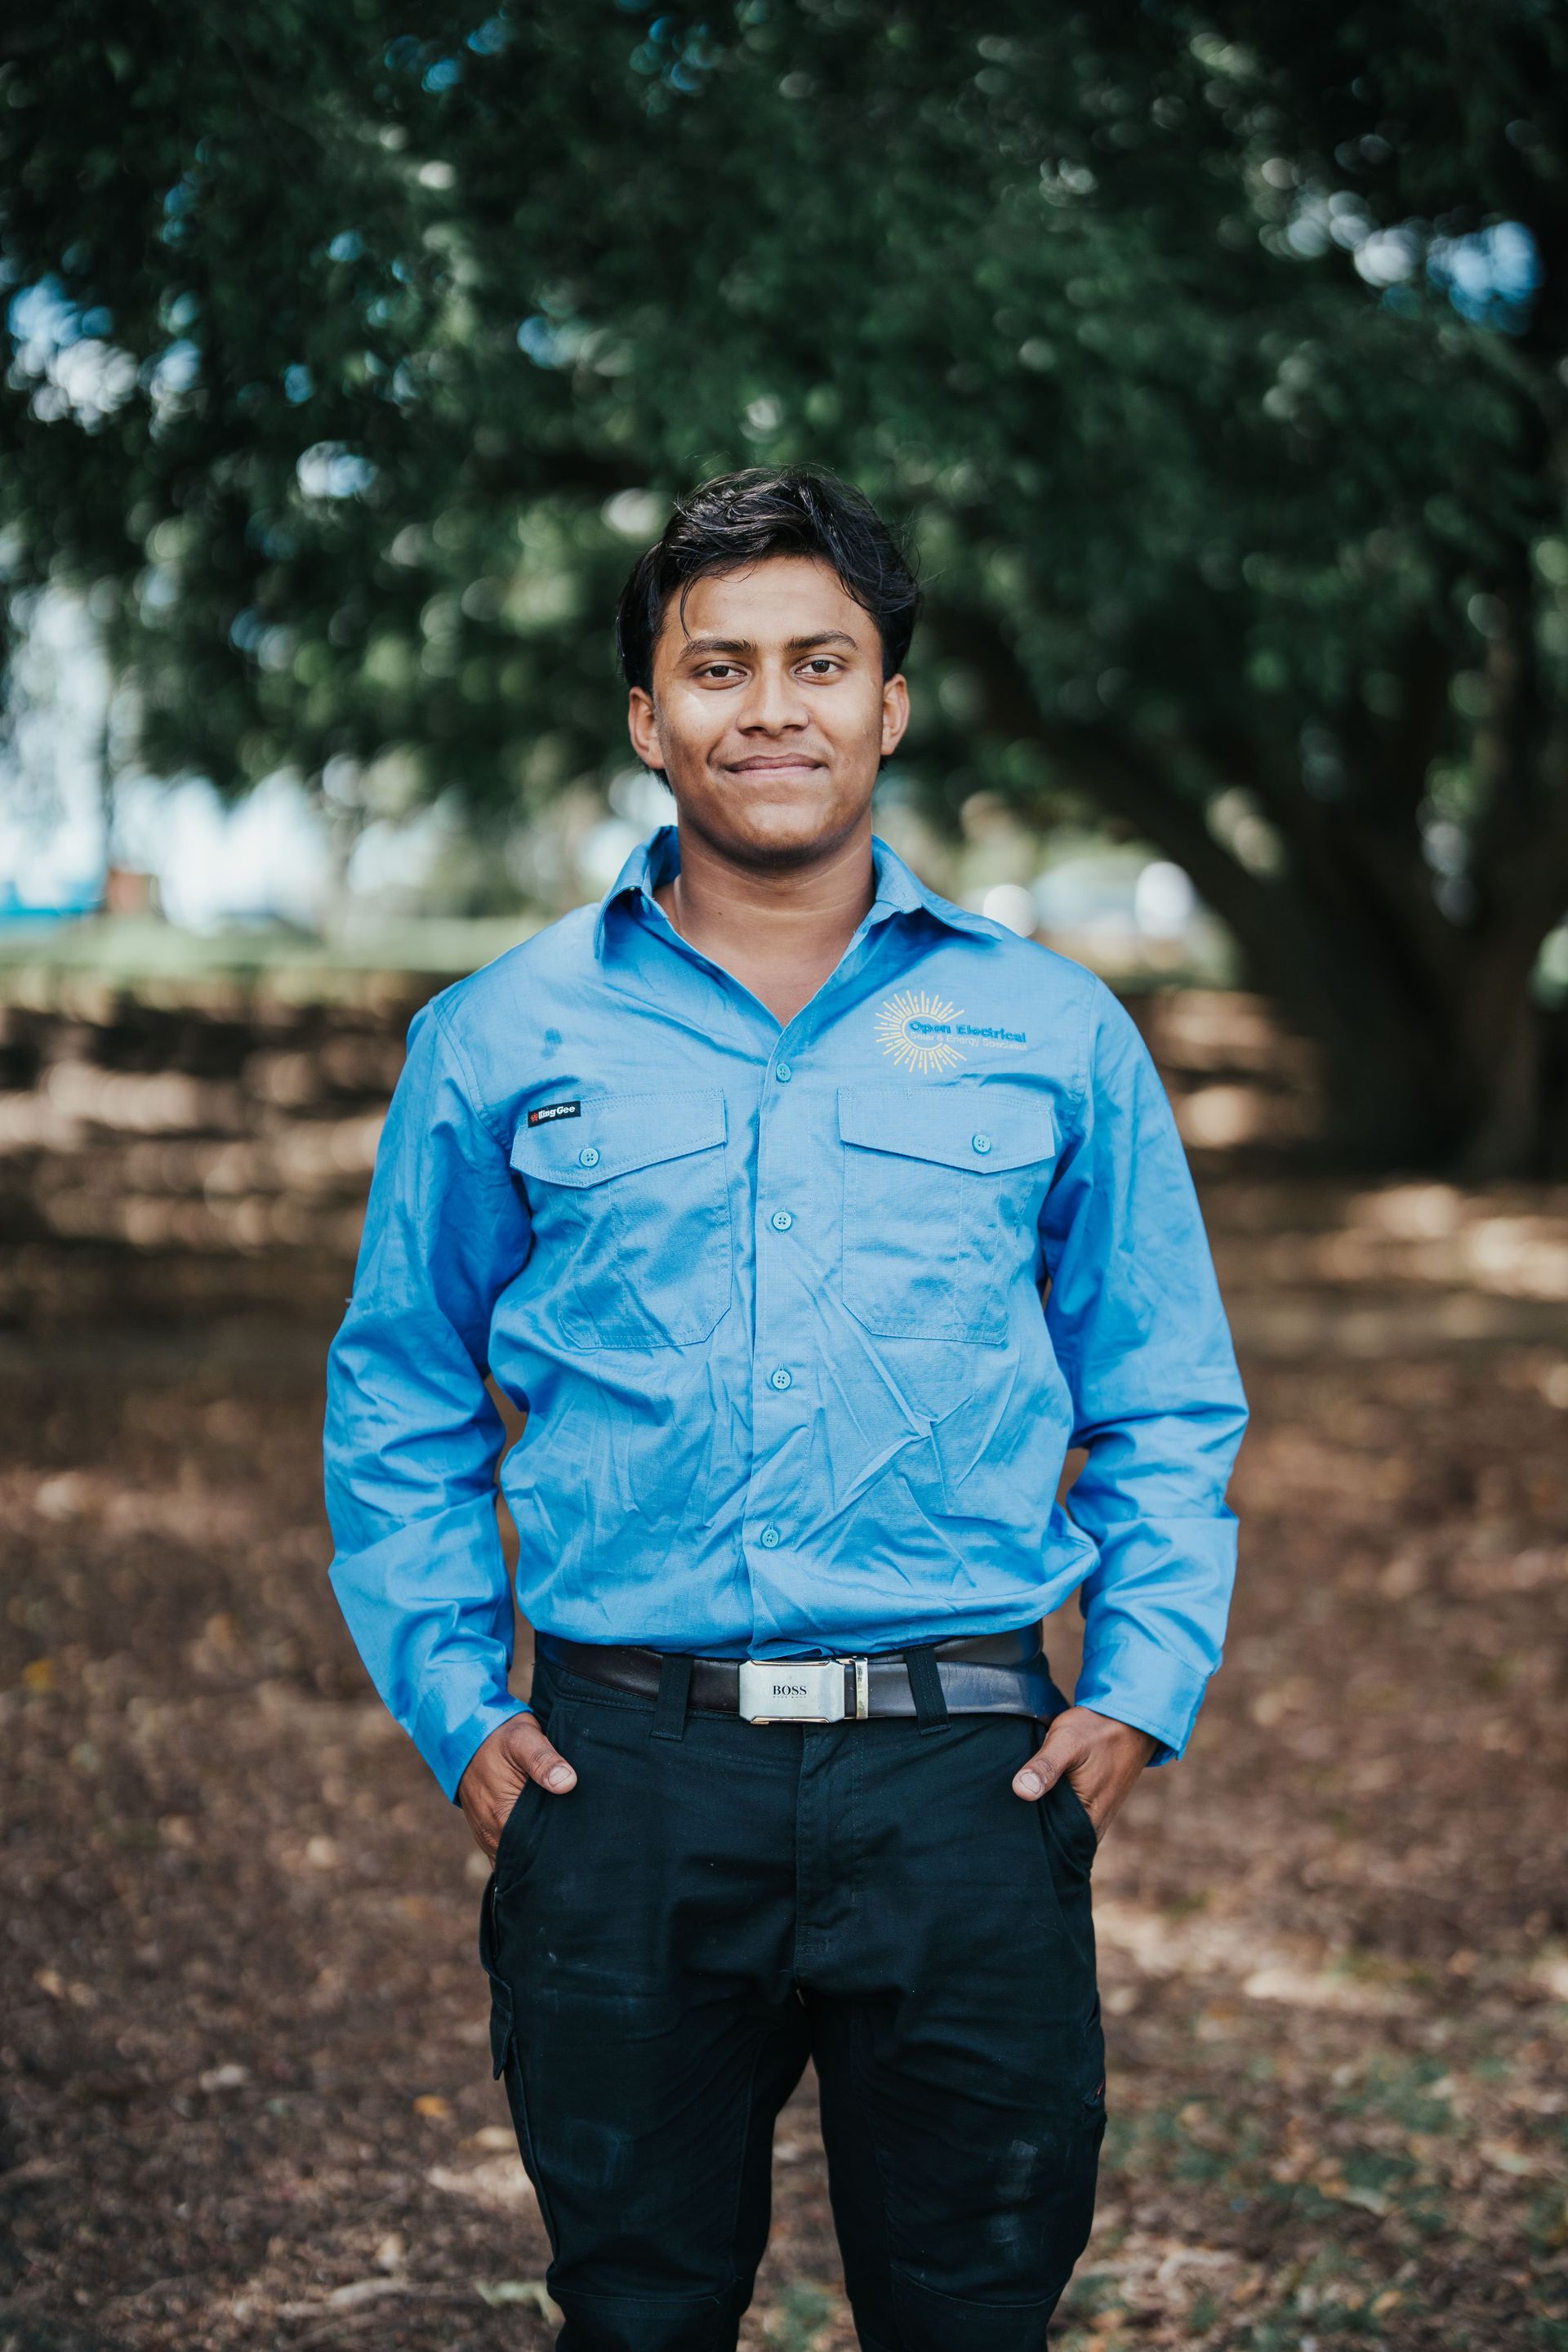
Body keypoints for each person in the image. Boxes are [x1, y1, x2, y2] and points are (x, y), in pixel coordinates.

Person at [323, 466, 1249, 2351]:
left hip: (965, 1771)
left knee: (975, 2312)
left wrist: (1142, 1686)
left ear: (889, 705)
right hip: (626, 1777)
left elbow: (1160, 1392)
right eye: (719, 667)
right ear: (647, 717)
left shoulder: (1056, 1031)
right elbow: (401, 1393)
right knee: (641, 2311)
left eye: (820, 662)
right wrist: (456, 1701)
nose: (772, 708)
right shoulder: (498, 1037)